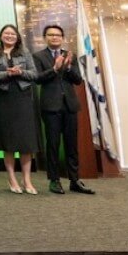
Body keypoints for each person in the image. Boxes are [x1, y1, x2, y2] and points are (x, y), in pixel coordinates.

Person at [33, 24, 95, 195]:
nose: (54, 37)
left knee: (72, 145)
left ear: (62, 38)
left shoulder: (70, 56)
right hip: (50, 107)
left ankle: (75, 180)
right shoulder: (38, 56)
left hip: (69, 105)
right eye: (51, 35)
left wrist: (67, 67)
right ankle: (54, 181)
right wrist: (54, 69)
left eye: (58, 35)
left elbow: (77, 80)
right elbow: (37, 78)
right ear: (45, 37)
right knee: (53, 145)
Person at [0, 24, 40, 195]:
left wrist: (20, 72)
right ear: (1, 36)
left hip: (23, 97)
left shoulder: (24, 51)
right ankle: (12, 178)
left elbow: (34, 74)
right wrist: (7, 74)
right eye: (6, 33)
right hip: (4, 98)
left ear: (17, 37)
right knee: (8, 141)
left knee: (26, 142)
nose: (9, 36)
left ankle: (27, 180)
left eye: (12, 34)